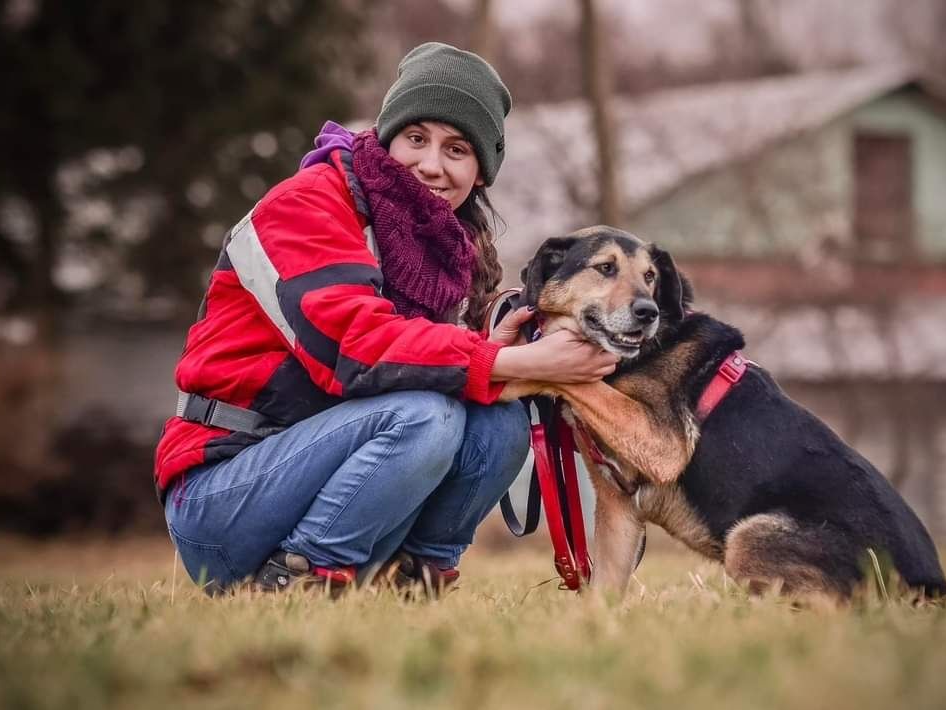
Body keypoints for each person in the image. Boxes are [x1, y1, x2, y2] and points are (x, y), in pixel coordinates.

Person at [154, 42, 619, 595]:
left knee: (499, 420)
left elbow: (421, 362)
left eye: (457, 149)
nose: (430, 164)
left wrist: (502, 353)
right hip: (222, 498)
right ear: (387, 136)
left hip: (327, 472)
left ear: (481, 172)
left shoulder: (442, 245)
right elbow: (357, 344)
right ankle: (299, 579)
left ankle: (411, 581)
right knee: (426, 416)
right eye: (416, 138)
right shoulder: (306, 204)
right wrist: (507, 359)